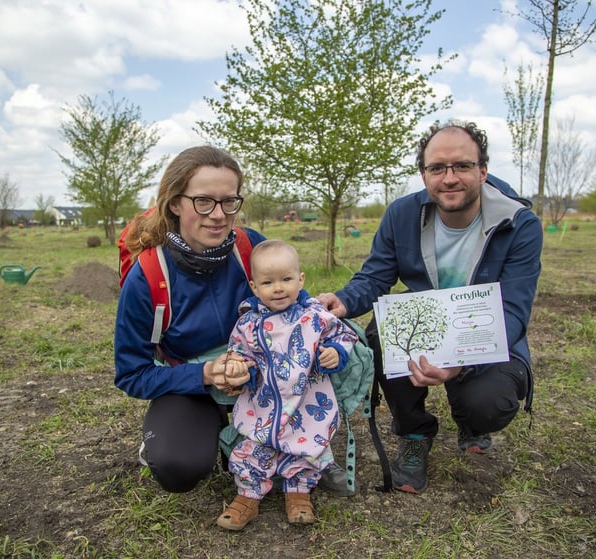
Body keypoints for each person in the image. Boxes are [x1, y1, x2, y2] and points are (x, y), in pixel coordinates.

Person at [318, 121, 543, 494]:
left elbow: (513, 311)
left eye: (462, 166)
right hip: (428, 322)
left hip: (485, 332)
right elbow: (375, 278)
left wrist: (460, 363)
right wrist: (342, 300)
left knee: (489, 404)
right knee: (382, 329)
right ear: (424, 174)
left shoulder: (519, 224)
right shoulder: (401, 215)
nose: (449, 178)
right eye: (437, 168)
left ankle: (471, 419)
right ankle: (414, 433)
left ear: (483, 170)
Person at [114, 146, 351, 497]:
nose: (218, 215)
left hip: (265, 376)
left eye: (229, 202)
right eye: (204, 202)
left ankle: (292, 448)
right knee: (178, 468)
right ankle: (209, 430)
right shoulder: (147, 277)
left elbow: (294, 307)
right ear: (175, 204)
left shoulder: (249, 246)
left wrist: (322, 318)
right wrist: (206, 374)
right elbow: (131, 374)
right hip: (195, 381)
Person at [216, 240, 358, 530]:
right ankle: (247, 497)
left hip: (307, 403)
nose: (278, 288)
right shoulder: (248, 324)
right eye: (268, 282)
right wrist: (240, 368)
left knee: (304, 450)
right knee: (253, 450)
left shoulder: (315, 316)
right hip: (263, 405)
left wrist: (336, 352)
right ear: (254, 287)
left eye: (286, 279)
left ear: (300, 279)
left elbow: (344, 335)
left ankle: (298, 493)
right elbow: (238, 353)